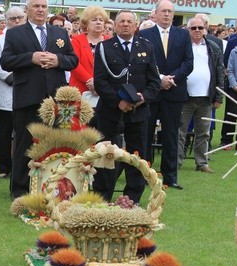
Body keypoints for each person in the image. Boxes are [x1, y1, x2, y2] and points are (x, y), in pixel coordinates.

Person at [0, 0, 78, 199]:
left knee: (53, 144)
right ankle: (20, 190)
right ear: (28, 10)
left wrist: (58, 61)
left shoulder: (59, 33)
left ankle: (50, 189)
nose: (40, 10)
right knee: (24, 145)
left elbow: (73, 60)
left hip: (55, 100)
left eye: (43, 6)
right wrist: (30, 58)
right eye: (36, 6)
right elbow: (5, 62)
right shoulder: (15, 33)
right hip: (28, 97)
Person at [93, 10, 159, 203]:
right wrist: (118, 102)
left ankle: (132, 198)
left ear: (135, 25)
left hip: (138, 111)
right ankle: (102, 196)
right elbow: (100, 81)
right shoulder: (104, 47)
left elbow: (154, 82)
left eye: (129, 21)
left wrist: (142, 98)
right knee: (105, 154)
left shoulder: (146, 46)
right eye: (121, 21)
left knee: (137, 155)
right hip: (110, 111)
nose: (125, 24)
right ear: (115, 25)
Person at [138, 0, 193, 190]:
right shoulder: (145, 34)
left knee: (171, 135)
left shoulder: (183, 35)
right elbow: (142, 62)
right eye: (164, 11)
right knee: (146, 134)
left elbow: (188, 63)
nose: (167, 14)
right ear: (156, 13)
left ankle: (170, 176)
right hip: (152, 91)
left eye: (170, 11)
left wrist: (172, 79)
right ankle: (145, 174)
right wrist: (160, 78)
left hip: (175, 92)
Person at [177, 16, 223, 174]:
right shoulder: (181, 46)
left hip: (206, 97)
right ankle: (177, 161)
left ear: (205, 29)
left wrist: (218, 96)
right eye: (193, 28)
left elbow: (219, 72)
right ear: (188, 30)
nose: (197, 31)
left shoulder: (213, 47)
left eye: (200, 28)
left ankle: (202, 162)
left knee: (204, 132)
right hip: (185, 96)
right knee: (180, 131)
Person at [0, 6, 24, 180]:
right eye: (12, 18)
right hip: (5, 89)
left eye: (19, 18)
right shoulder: (0, 38)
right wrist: (11, 78)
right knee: (4, 132)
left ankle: (21, 166)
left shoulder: (29, 37)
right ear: (7, 21)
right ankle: (4, 167)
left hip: (26, 90)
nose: (16, 21)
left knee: (23, 131)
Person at [69, 6, 108, 97]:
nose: (98, 22)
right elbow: (75, 65)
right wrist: (91, 81)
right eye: (94, 20)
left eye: (101, 20)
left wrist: (100, 84)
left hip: (104, 90)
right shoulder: (76, 40)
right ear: (85, 24)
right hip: (79, 90)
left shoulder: (110, 41)